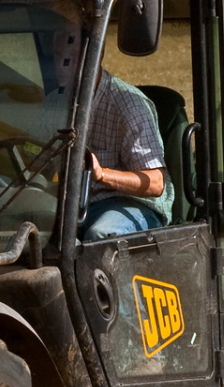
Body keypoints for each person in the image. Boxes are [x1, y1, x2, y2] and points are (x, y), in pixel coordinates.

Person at [49, 30, 172, 239]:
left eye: (71, 58)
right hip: (74, 203)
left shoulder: (129, 104)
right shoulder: (53, 103)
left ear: (98, 55)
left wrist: (101, 174)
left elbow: (156, 183)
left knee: (100, 236)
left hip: (130, 204)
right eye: (58, 56)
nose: (62, 66)